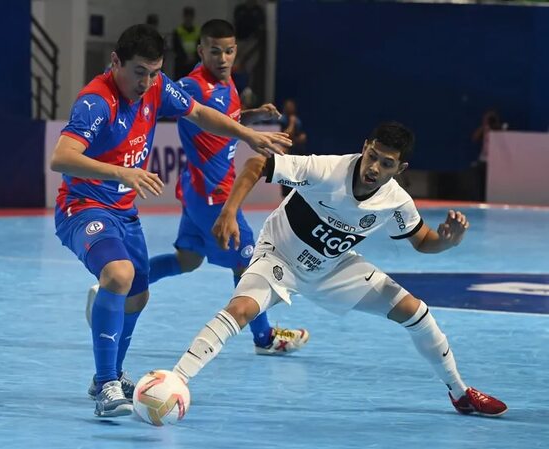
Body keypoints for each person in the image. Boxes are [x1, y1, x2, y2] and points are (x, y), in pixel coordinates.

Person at [171, 122, 508, 417]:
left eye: (386, 163)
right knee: (241, 308)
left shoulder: (396, 200)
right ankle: (175, 380)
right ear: (365, 147)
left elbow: (422, 240)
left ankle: (460, 394)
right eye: (373, 155)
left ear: (400, 167)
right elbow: (257, 163)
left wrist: (447, 241)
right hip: (280, 256)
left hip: (332, 268)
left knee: (416, 312)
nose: (374, 167)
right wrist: (230, 211)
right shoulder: (326, 170)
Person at [50, 24, 291, 418]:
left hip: (123, 212)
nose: (146, 81)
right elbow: (61, 157)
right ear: (115, 62)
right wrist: (121, 173)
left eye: (154, 71)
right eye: (139, 71)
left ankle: (107, 376)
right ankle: (107, 384)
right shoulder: (97, 101)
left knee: (139, 294)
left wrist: (248, 132)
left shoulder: (159, 86)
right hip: (83, 206)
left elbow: (198, 112)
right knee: (119, 274)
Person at [141, 19, 309, 355]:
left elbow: (222, 116)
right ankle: (265, 338)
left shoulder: (227, 83)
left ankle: (121, 285)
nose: (222, 58)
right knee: (248, 262)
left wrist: (250, 113)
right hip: (211, 193)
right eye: (214, 51)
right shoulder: (190, 87)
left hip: (199, 189)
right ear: (200, 50)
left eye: (229, 51)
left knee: (187, 260)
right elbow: (161, 102)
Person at [278, 99, 308, 196]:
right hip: (285, 153)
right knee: (285, 176)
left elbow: (302, 137)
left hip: (296, 152)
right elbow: (285, 135)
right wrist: (291, 123)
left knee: (298, 176)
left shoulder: (297, 120)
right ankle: (285, 197)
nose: (290, 108)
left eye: (292, 106)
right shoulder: (281, 120)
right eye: (288, 106)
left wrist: (299, 139)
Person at [172, 6, 200, 80]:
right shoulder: (178, 31)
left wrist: (194, 57)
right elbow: (176, 48)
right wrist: (185, 58)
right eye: (187, 16)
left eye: (190, 16)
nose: (188, 19)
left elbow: (200, 46)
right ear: (184, 17)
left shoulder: (198, 31)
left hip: (194, 63)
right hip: (181, 64)